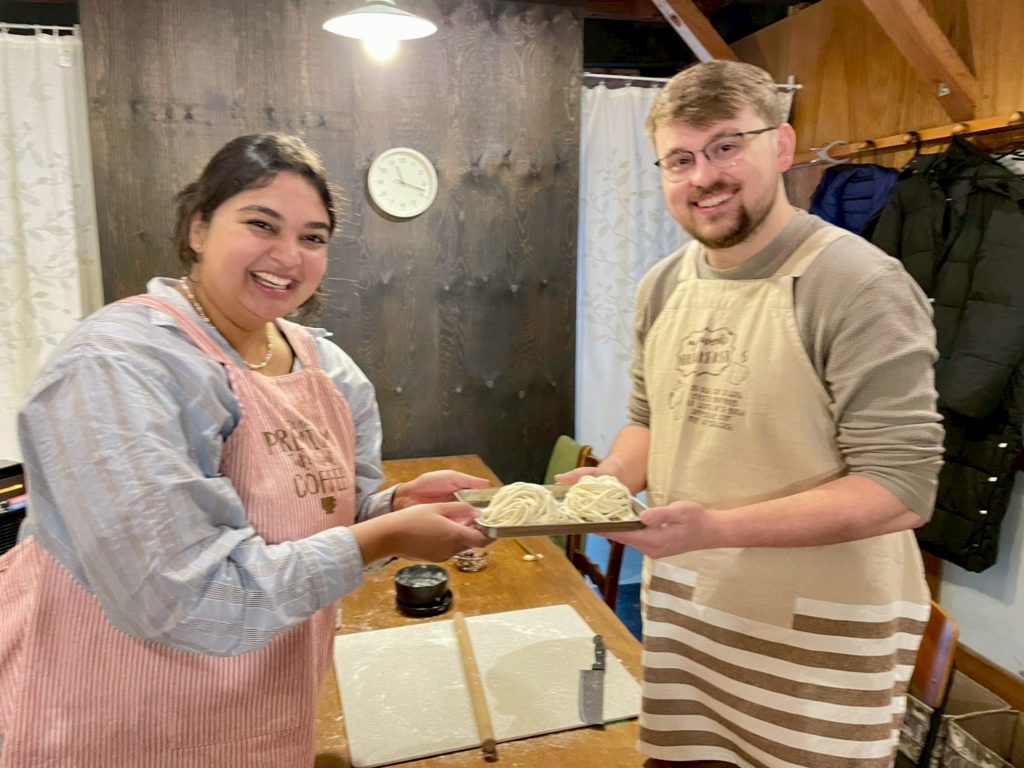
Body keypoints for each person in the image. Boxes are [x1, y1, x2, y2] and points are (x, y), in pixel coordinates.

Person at [0, 133, 491, 766]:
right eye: (261, 224)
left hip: (266, 709)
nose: (288, 255)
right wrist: (384, 537)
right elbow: (184, 597)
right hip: (112, 722)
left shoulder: (327, 369)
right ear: (199, 227)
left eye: (313, 237)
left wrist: (391, 510)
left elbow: (324, 523)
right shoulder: (119, 364)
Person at [559, 61, 944, 768]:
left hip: (819, 645)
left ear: (783, 145)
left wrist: (717, 530)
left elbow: (900, 488)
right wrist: (610, 480)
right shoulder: (663, 285)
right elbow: (649, 420)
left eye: (727, 146)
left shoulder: (857, 283)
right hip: (689, 619)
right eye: (680, 159)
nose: (704, 176)